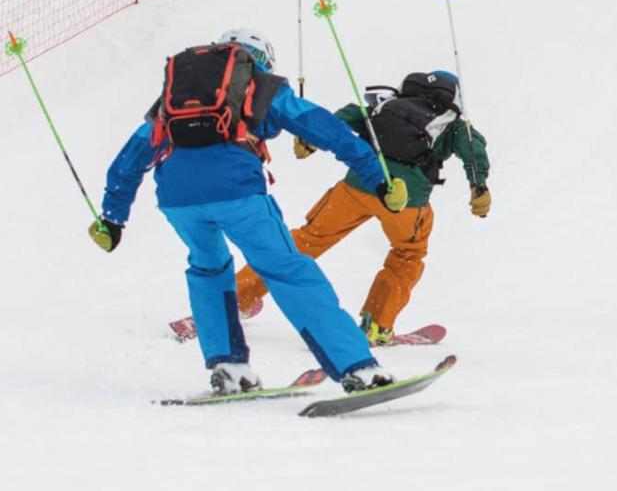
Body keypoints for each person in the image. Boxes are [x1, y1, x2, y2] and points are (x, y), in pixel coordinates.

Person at [89, 28, 409, 394]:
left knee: (208, 269)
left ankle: (229, 369)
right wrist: (377, 177)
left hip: (178, 199)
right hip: (236, 191)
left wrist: (112, 218)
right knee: (287, 269)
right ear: (262, 60)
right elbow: (324, 127)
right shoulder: (257, 84)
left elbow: (131, 156)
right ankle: (358, 367)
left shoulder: (177, 97)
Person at [235, 70, 491, 343]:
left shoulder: (386, 105)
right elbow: (473, 151)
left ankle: (237, 297)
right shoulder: (452, 122)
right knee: (407, 253)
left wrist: (310, 141)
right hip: (405, 203)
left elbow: (344, 116)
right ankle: (377, 324)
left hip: (358, 186)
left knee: (308, 239)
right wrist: (479, 187)